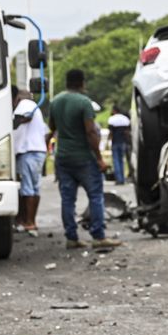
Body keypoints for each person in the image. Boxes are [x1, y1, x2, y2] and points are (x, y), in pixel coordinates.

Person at [48, 69, 122, 250]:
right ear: (82, 82)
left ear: (67, 82)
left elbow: (52, 127)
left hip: (63, 157)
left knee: (67, 198)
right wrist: (99, 158)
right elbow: (90, 131)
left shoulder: (55, 102)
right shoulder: (84, 102)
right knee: (95, 196)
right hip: (83, 158)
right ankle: (98, 236)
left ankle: (71, 238)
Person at [12, 85, 49, 236]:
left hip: (29, 152)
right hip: (35, 151)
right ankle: (28, 221)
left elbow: (24, 118)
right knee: (33, 187)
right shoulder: (32, 106)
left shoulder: (25, 104)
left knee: (27, 189)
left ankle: (29, 222)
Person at [107, 106, 132, 186]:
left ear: (114, 111)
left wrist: (108, 142)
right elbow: (127, 132)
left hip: (115, 142)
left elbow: (110, 133)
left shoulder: (112, 119)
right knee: (122, 161)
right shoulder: (125, 119)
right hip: (123, 142)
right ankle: (122, 178)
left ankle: (119, 179)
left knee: (116, 161)